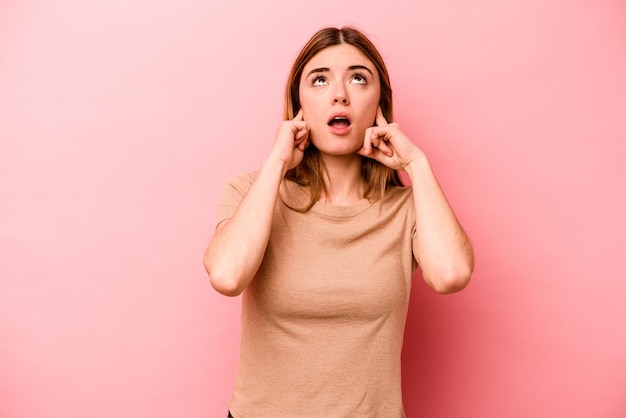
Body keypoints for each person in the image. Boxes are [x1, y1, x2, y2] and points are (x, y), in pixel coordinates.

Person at [204, 26, 474, 418]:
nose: (340, 94)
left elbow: (451, 274)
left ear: (380, 103)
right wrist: (277, 163)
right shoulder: (251, 191)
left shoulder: (408, 209)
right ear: (298, 103)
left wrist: (418, 164)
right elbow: (227, 277)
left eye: (358, 78)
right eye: (319, 80)